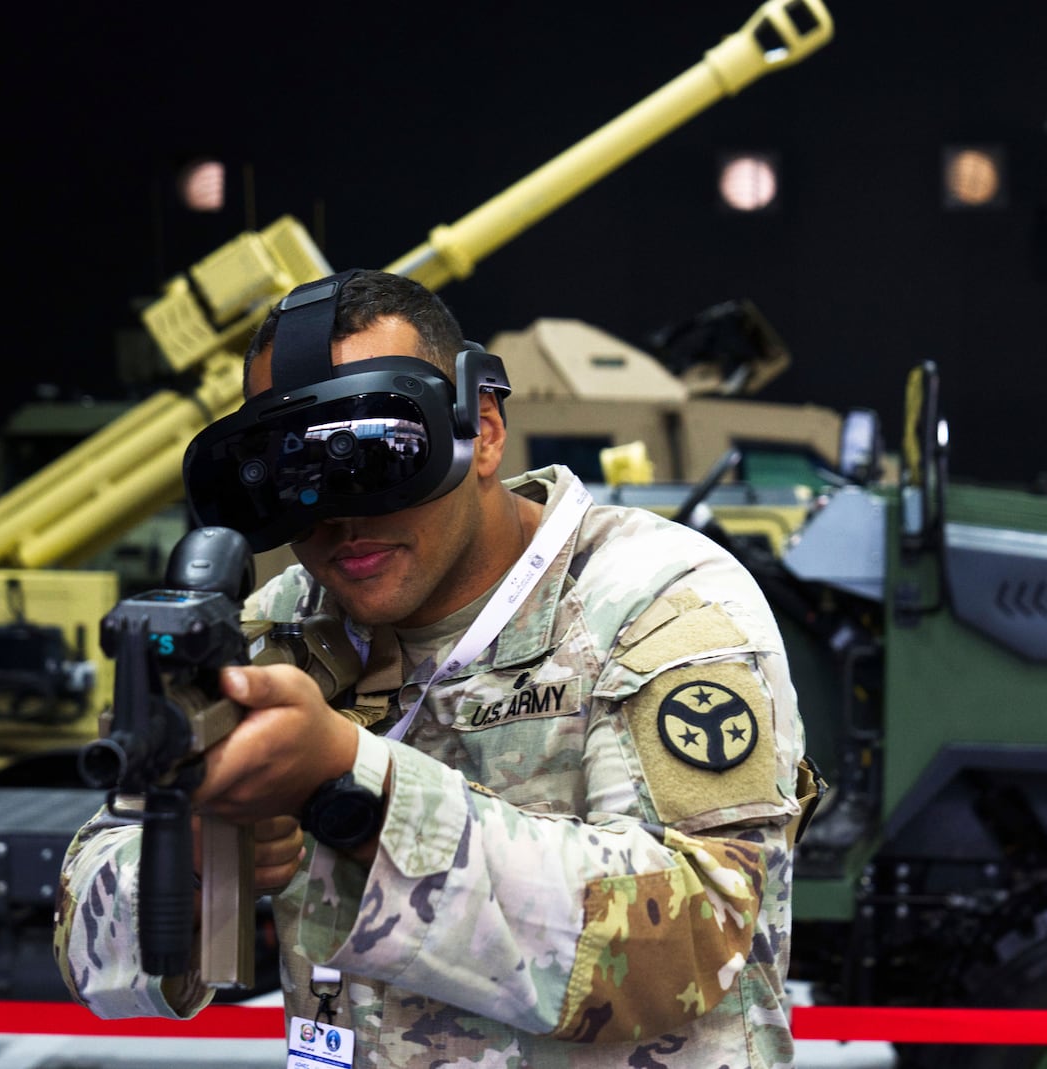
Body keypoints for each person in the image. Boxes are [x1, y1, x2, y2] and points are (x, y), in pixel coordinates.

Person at [54, 269, 808, 1067]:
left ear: (482, 429)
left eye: (377, 456)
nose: (339, 518)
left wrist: (360, 786)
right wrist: (204, 861)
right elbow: (94, 962)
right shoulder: (280, 627)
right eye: (294, 478)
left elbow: (700, 938)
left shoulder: (659, 598)